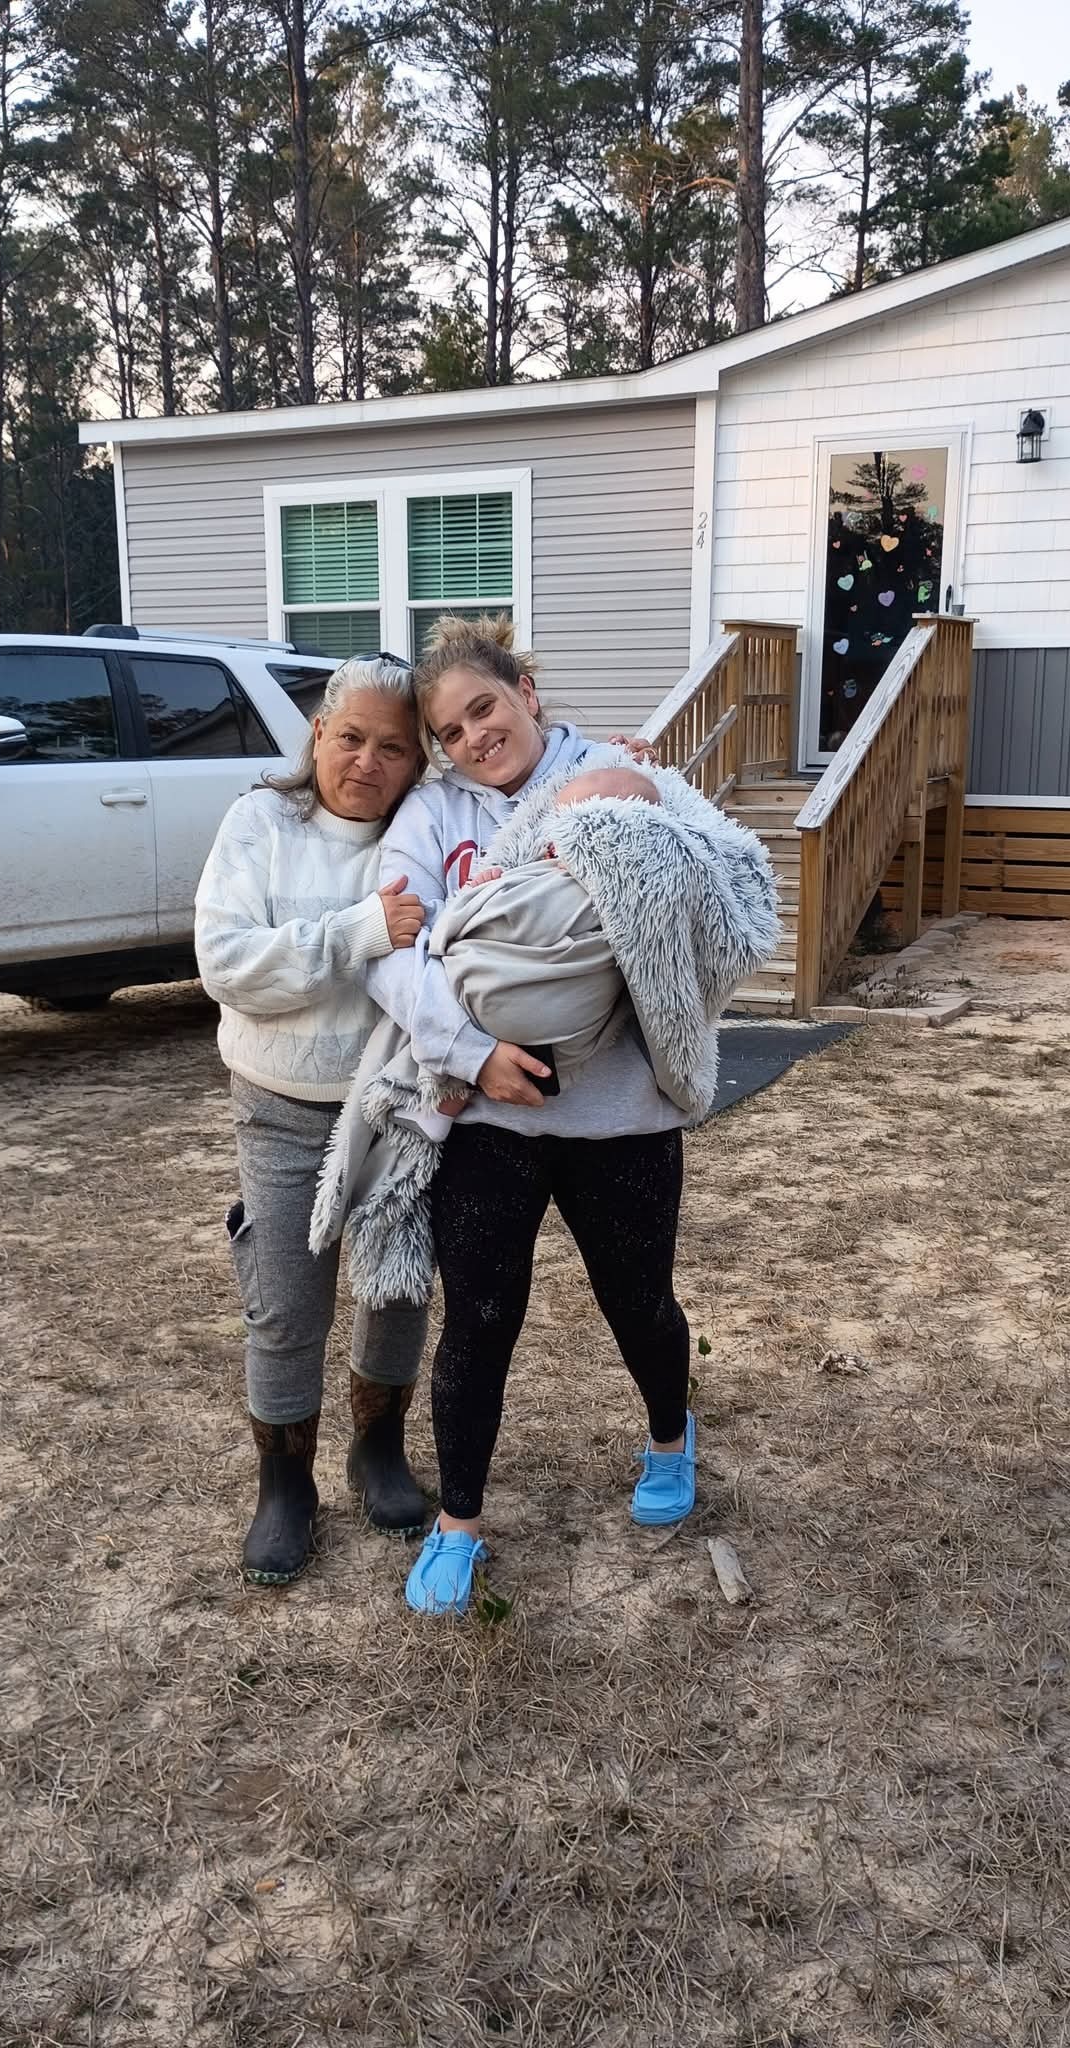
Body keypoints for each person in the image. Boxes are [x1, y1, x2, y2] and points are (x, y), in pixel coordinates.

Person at [363, 617, 776, 1616]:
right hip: (488, 1116)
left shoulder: (622, 775)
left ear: (528, 694)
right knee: (479, 1318)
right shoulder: (431, 815)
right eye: (451, 730)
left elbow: (719, 889)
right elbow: (392, 951)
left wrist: (627, 820)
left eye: (486, 708)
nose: (474, 737)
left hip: (619, 1112)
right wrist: (474, 1055)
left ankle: (669, 1438)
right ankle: (460, 1523)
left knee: (639, 1301)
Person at [194, 657, 433, 1587]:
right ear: (319, 733)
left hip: (396, 1107)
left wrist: (615, 764)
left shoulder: (425, 830)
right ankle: (284, 1483)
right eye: (351, 738)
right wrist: (358, 932)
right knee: (288, 1304)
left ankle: (377, 1451)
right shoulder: (261, 821)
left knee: (396, 1289)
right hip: (281, 1103)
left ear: (419, 761)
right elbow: (227, 963)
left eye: (393, 748)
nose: (368, 762)